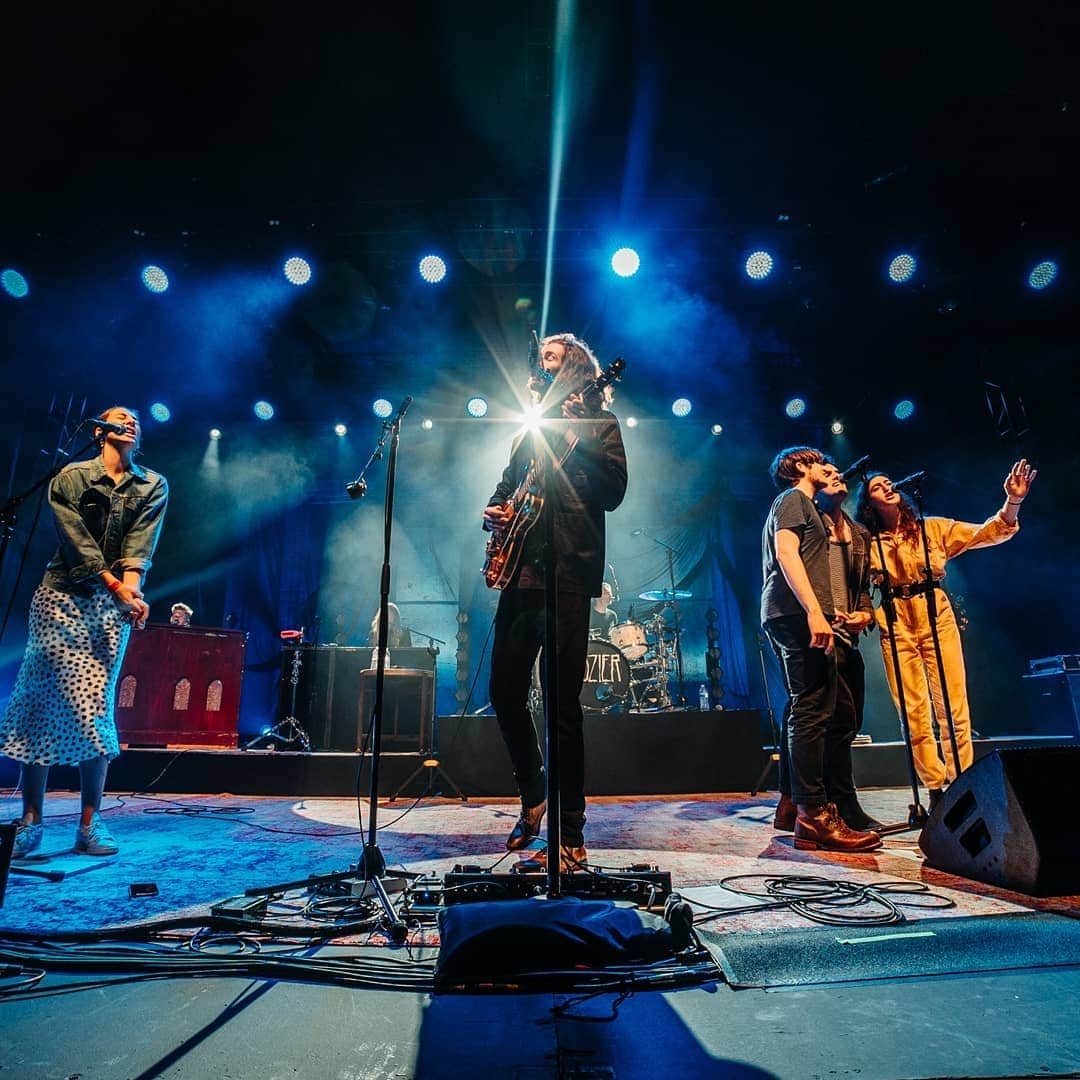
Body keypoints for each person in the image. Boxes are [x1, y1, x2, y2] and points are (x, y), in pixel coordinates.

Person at [483, 332, 627, 871]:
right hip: (522, 572)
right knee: (503, 691)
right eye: (540, 357)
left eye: (553, 357)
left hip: (569, 572)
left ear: (578, 367)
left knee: (562, 707)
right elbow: (505, 485)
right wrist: (494, 510)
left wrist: (578, 435)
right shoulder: (531, 426)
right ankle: (534, 792)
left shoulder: (599, 425)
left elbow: (613, 492)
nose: (543, 364)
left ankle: (569, 831)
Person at [2, 407, 169, 858]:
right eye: (120, 417)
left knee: (94, 702)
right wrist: (118, 588)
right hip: (60, 598)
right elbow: (77, 543)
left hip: (109, 606)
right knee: (40, 702)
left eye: (135, 419)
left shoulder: (152, 484)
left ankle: (90, 823)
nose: (131, 422)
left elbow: (140, 545)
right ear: (100, 431)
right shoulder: (70, 478)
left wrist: (131, 594)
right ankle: (30, 820)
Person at [854, 460, 1036, 805]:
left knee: (953, 706)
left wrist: (1013, 502)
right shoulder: (869, 543)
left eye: (889, 481)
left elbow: (988, 532)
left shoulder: (931, 528)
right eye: (878, 487)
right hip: (895, 621)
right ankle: (935, 788)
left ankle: (963, 783)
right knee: (913, 711)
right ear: (868, 503)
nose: (887, 487)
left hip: (936, 614)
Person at [761, 447, 881, 852]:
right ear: (800, 467)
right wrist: (814, 611)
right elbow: (786, 553)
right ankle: (813, 816)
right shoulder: (793, 499)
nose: (829, 467)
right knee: (811, 708)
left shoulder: (807, 507)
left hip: (797, 613)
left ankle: (796, 804)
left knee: (813, 707)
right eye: (819, 462)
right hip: (795, 613)